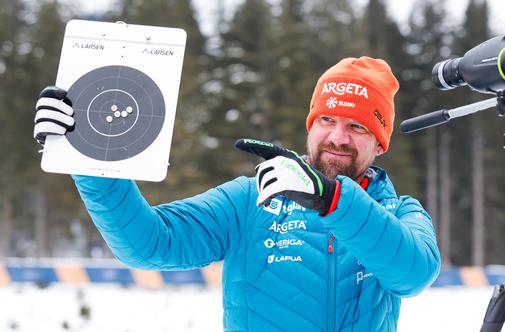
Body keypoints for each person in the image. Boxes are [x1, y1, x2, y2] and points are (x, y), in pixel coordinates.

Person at [33, 56, 441, 331]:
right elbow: (148, 244)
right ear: (310, 126)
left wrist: (331, 199)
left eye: (357, 127)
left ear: (380, 141)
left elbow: (414, 274)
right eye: (327, 119)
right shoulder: (251, 200)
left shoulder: (398, 212)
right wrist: (92, 155)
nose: (337, 137)